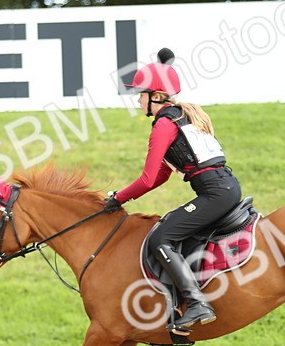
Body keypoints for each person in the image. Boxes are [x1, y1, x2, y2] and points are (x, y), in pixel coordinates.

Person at [103, 48, 242, 331]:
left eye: (140, 94)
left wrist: (117, 198)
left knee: (160, 238)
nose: (137, 100)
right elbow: (160, 177)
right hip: (225, 187)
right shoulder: (181, 116)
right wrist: (122, 197)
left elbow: (147, 179)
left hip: (215, 193)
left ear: (156, 96)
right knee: (171, 226)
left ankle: (197, 303)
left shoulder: (164, 125)